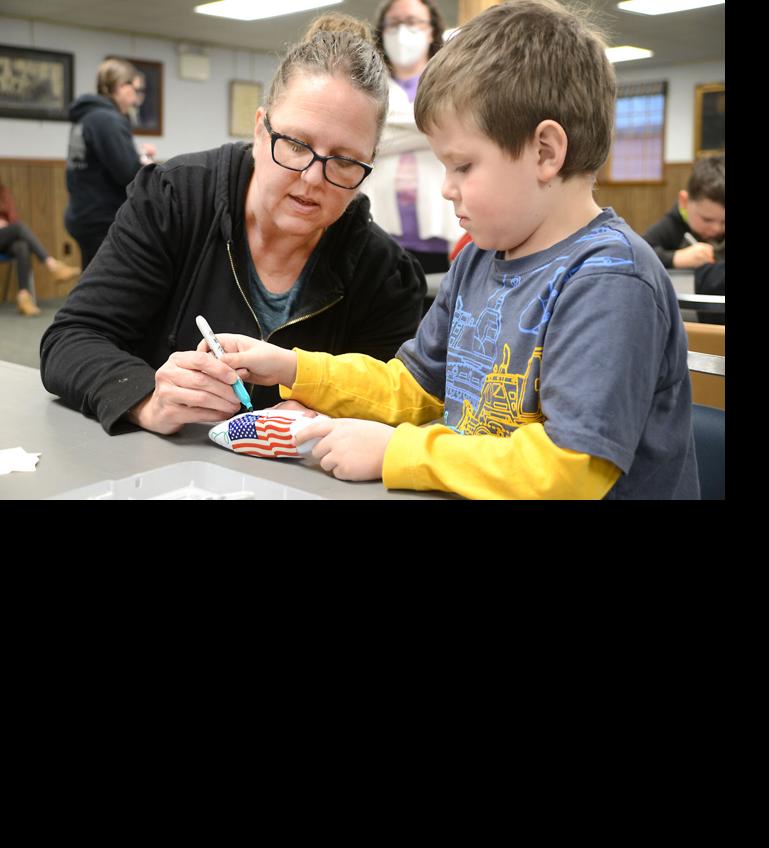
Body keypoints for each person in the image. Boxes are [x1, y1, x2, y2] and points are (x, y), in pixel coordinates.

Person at [207, 0, 698, 499]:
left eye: (462, 166)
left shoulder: (610, 279)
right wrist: (294, 367)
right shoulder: (479, 259)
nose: (446, 187)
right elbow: (412, 388)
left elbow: (569, 469)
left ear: (545, 153)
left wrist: (398, 452)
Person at [39, 13, 427, 437]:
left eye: (346, 161)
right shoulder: (175, 198)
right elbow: (72, 337)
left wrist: (323, 413)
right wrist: (146, 399)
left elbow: (395, 400)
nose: (313, 178)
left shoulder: (385, 273)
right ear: (261, 131)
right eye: (296, 145)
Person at [368, 0, 461, 275]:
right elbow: (364, 140)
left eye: (413, 23)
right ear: (382, 31)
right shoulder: (371, 84)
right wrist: (432, 126)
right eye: (394, 23)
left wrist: (384, 131)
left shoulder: (451, 83)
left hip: (441, 237)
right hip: (380, 232)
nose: (402, 32)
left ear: (431, 31)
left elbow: (460, 130)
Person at [63, 57, 155, 266]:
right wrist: (145, 164)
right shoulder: (108, 120)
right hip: (101, 217)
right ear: (122, 86)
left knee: (93, 281)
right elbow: (127, 173)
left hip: (83, 212)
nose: (136, 100)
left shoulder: (88, 116)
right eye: (136, 90)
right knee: (106, 289)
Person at [0, 183, 81, 317]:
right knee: (19, 228)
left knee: (22, 246)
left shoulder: (2, 191)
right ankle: (52, 266)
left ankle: (24, 297)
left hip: (4, 236)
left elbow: (13, 218)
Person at [642, 153, 723, 270]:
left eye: (724, 222)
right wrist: (676, 258)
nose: (717, 228)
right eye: (707, 219)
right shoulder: (671, 224)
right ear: (684, 202)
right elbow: (637, 252)